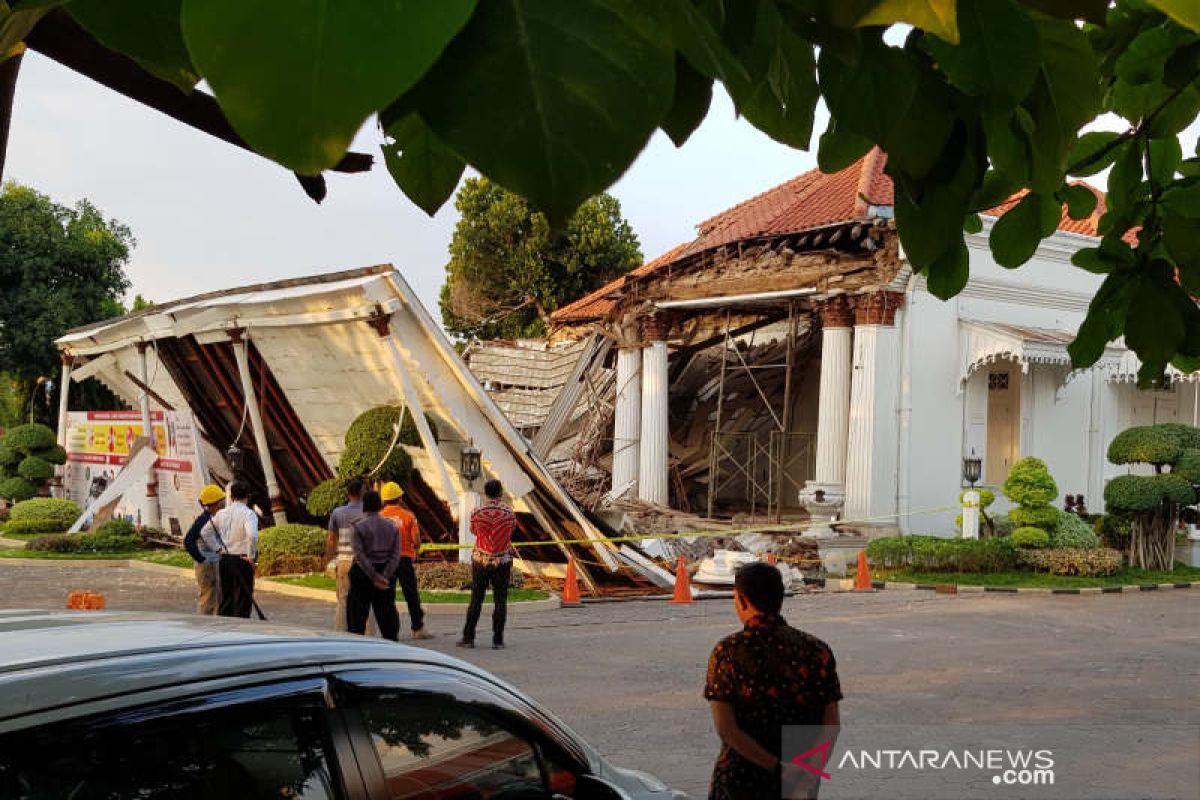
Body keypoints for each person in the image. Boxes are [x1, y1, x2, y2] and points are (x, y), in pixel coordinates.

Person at [705, 562, 841, 800]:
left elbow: (726, 729)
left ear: (743, 600)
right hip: (800, 779)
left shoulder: (728, 652)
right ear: (779, 598)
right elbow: (831, 724)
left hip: (741, 779)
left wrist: (778, 768)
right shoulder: (817, 650)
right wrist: (808, 771)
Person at [457, 479, 517, 650]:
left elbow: (473, 531)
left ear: (485, 492)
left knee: (476, 598)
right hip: (502, 559)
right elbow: (512, 531)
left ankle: (468, 638)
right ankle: (497, 640)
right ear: (500, 492)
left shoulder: (477, 512)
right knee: (500, 600)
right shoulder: (509, 512)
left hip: (480, 559)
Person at [346, 490, 402, 641]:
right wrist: (384, 576)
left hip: (363, 575)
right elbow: (396, 555)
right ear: (380, 504)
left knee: (356, 620)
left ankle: (355, 650)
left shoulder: (357, 526)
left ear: (364, 505)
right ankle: (391, 648)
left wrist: (373, 575)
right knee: (387, 618)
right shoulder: (392, 526)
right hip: (385, 574)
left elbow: (359, 555)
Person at [379, 481, 431, 640]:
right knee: (411, 595)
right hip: (404, 560)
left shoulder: (379, 517)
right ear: (400, 497)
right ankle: (417, 628)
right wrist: (415, 549)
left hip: (386, 561)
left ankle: (389, 632)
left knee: (388, 597)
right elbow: (416, 541)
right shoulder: (409, 516)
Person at [324, 478, 367, 632]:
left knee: (343, 599)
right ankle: (368, 636)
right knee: (366, 599)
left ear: (347, 493)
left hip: (343, 560)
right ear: (362, 492)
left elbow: (331, 539)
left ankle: (341, 632)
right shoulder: (370, 512)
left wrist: (328, 561)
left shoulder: (337, 512)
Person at [211, 480, 259, 618]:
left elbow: (204, 533)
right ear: (247, 496)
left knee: (226, 597)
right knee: (243, 598)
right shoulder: (249, 514)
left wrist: (217, 548)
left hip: (225, 559)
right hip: (242, 559)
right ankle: (240, 628)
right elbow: (252, 536)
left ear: (231, 497)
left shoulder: (221, 514)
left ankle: (223, 627)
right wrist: (251, 555)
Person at [183, 484, 225, 615]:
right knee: (208, 597)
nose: (223, 503)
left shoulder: (214, 517)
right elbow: (188, 540)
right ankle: (203, 625)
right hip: (207, 563)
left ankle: (215, 625)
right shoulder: (203, 520)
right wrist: (201, 559)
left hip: (215, 561)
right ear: (215, 503)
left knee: (218, 596)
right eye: (221, 500)